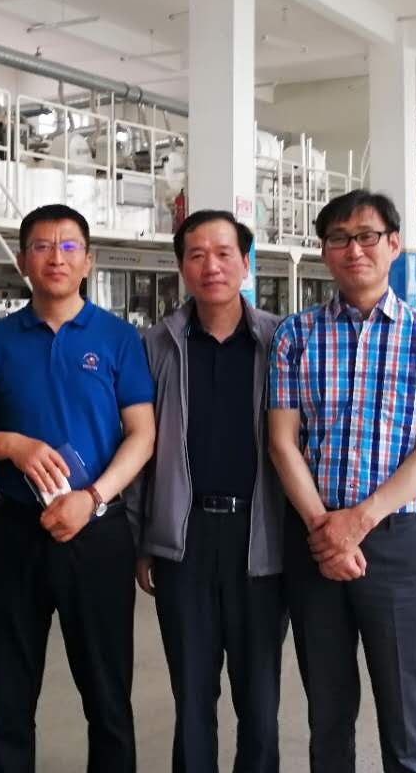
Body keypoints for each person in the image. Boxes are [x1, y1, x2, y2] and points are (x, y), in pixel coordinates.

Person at [268, 189, 416, 773]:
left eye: (366, 236)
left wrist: (357, 523)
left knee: (406, 716)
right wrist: (324, 530)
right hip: (314, 541)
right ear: (324, 251)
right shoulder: (295, 335)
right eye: (339, 238)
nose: (353, 249)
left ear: (394, 244)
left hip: (395, 544)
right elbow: (282, 441)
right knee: (327, 713)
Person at [0, 203, 156, 773]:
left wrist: (94, 498)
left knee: (107, 694)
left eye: (70, 246)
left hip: (97, 535)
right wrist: (12, 445)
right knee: (9, 693)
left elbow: (142, 433)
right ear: (23, 261)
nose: (57, 257)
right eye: (43, 246)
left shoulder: (118, 339)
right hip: (13, 532)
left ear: (88, 262)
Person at [131, 210, 288, 773]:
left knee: (260, 698)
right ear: (182, 267)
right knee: (193, 695)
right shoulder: (156, 345)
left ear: (246, 263)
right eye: (196, 255)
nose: (211, 266)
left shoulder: (281, 340)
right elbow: (139, 445)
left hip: (261, 537)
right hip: (185, 537)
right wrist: (144, 537)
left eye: (224, 253)